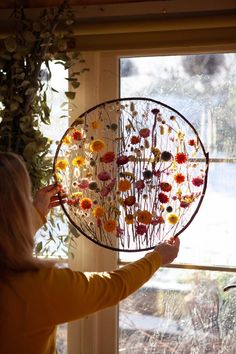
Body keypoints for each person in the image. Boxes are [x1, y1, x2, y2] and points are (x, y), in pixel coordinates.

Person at [0, 152, 180, 354]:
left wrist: (36, 214)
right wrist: (157, 258)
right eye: (25, 197)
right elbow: (113, 285)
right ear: (18, 209)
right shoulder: (37, 287)